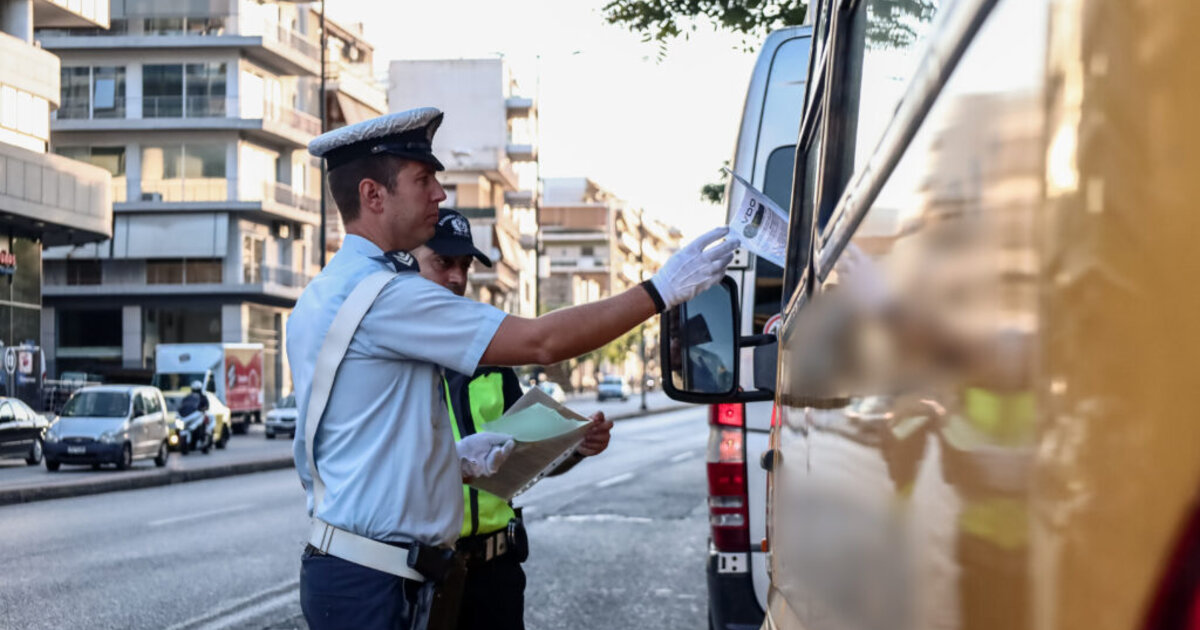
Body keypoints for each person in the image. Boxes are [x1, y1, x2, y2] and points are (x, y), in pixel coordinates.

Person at [288, 106, 737, 629]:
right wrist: (661, 291)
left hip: (355, 573)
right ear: (373, 195)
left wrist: (449, 461)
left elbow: (356, 440)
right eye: (423, 179)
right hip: (376, 584)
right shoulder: (388, 295)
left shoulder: (325, 292)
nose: (440, 193)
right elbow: (542, 341)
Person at [413, 209, 612, 630]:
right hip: (421, 572)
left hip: (495, 573)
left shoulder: (492, 357)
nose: (457, 277)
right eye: (442, 262)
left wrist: (574, 448)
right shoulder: (392, 359)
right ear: (407, 261)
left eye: (464, 266)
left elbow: (525, 463)